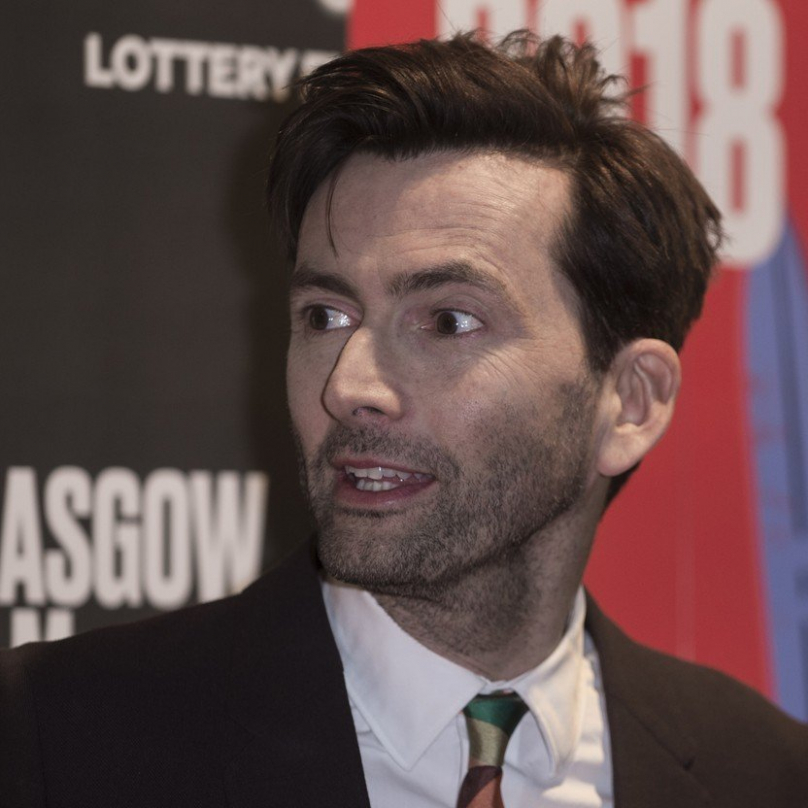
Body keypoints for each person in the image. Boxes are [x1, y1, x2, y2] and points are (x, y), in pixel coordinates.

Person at [1, 31, 807, 808]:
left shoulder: (766, 774)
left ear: (630, 401)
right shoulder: (53, 739)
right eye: (324, 316)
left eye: (448, 322)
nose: (349, 387)